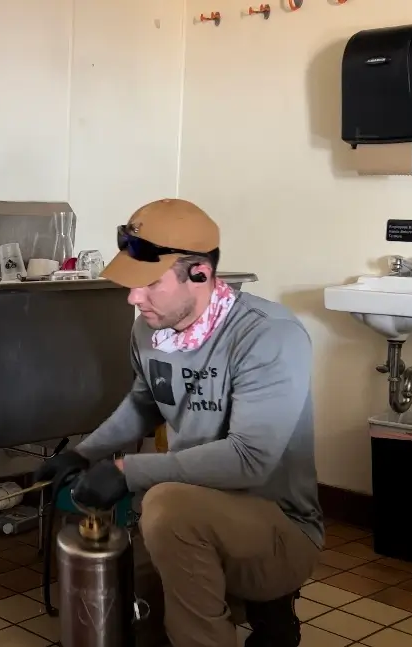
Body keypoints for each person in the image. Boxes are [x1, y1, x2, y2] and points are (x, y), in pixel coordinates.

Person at [35, 198, 323, 647]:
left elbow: (250, 459)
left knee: (166, 506)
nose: (133, 297)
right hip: (190, 511)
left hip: (278, 528)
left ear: (200, 275)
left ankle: (264, 606)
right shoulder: (149, 331)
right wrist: (82, 452)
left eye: (149, 284)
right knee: (128, 613)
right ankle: (254, 615)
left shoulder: (269, 336)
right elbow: (143, 404)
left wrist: (127, 472)